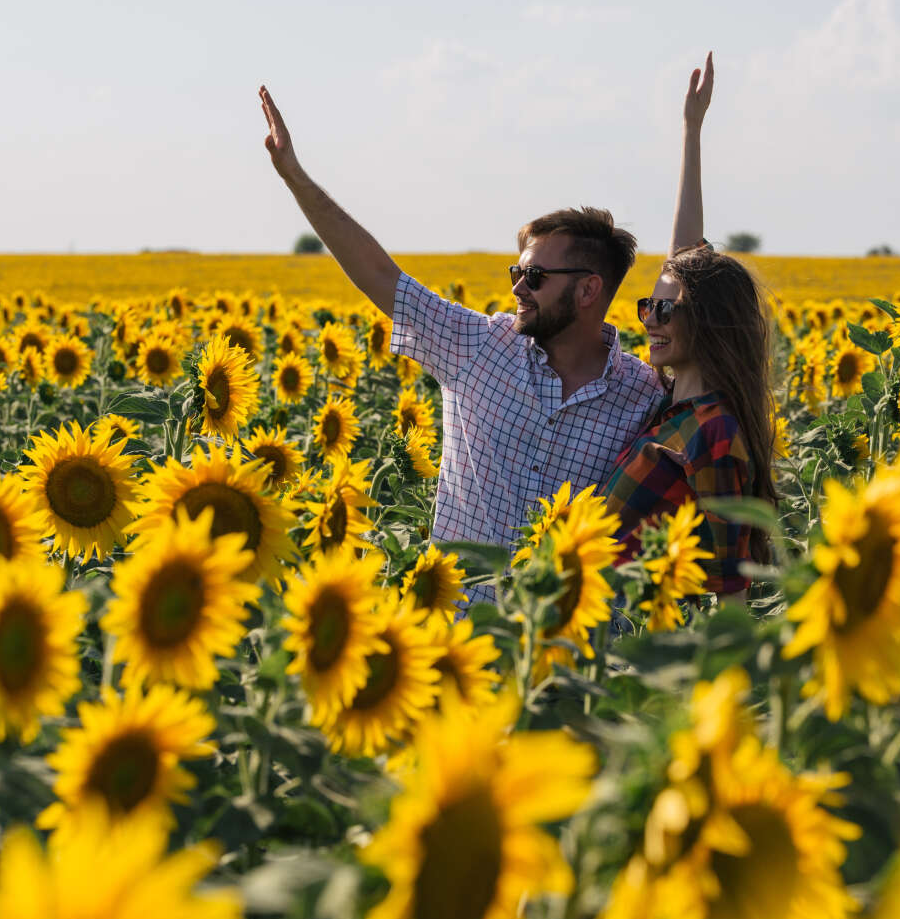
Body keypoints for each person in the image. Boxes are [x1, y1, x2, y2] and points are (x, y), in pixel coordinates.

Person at [259, 86, 665, 599]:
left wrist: (691, 135)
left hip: (559, 656)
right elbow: (380, 276)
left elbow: (696, 302)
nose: (518, 286)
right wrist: (295, 177)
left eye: (536, 276)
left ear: (589, 289)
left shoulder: (643, 395)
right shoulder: (478, 345)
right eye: (517, 271)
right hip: (454, 635)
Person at [600, 54, 778, 596]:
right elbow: (683, 259)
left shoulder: (714, 433)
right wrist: (691, 133)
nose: (649, 320)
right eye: (646, 306)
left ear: (709, 324)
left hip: (640, 651)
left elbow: (730, 592)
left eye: (664, 309)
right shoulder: (673, 404)